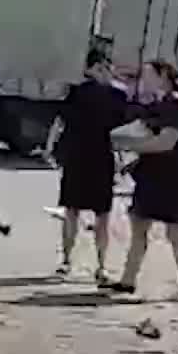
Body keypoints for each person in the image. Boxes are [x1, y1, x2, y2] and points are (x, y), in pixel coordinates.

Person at [107, 59, 178, 301]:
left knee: (175, 235)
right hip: (151, 178)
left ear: (164, 76)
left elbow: (166, 142)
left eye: (149, 75)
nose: (144, 81)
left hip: (173, 180)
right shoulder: (157, 106)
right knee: (139, 228)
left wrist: (129, 144)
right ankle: (128, 280)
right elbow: (143, 129)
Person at [47, 49, 127, 283]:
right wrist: (124, 159)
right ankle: (101, 267)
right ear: (100, 67)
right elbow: (123, 133)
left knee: (72, 211)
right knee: (102, 215)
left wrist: (49, 149)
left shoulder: (76, 93)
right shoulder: (117, 96)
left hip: (76, 158)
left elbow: (59, 122)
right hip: (102, 160)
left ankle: (66, 261)